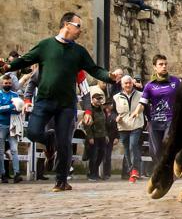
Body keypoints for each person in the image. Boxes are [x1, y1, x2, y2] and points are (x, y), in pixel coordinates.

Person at [0, 12, 120, 192]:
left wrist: (109, 77)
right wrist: (8, 67)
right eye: (78, 26)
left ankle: (61, 181)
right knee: (32, 132)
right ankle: (49, 139)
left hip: (66, 105)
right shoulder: (46, 45)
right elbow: (26, 59)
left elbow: (94, 69)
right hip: (44, 102)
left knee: (64, 143)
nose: (80, 31)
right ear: (66, 25)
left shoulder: (79, 52)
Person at [131, 55, 180, 164]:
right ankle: (161, 171)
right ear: (154, 67)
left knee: (167, 143)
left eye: (165, 64)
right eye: (161, 64)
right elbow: (142, 102)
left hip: (170, 120)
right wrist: (136, 112)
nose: (164, 66)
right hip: (155, 122)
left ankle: (170, 165)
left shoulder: (175, 82)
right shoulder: (149, 85)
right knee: (155, 151)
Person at [113, 75, 144, 183]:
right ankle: (132, 172)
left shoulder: (140, 95)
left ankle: (135, 170)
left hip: (136, 124)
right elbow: (112, 112)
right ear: (122, 85)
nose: (128, 85)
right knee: (126, 150)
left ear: (133, 83)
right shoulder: (116, 97)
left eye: (129, 83)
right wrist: (115, 118)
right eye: (125, 83)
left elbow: (146, 106)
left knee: (133, 145)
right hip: (123, 126)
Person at [0, 75, 22, 183]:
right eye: (6, 83)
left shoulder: (15, 95)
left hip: (13, 125)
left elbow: (19, 109)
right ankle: (3, 174)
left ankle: (17, 173)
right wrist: (11, 106)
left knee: (14, 150)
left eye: (9, 83)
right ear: (2, 83)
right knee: (0, 151)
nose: (7, 85)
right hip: (1, 125)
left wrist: (14, 108)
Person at [85, 87, 107, 181]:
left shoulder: (102, 109)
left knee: (101, 154)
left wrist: (106, 135)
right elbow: (87, 125)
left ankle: (95, 172)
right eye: (97, 99)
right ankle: (92, 173)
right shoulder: (89, 110)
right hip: (94, 136)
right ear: (92, 99)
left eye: (100, 99)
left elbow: (104, 123)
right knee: (93, 156)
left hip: (102, 136)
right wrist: (90, 137)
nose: (99, 100)